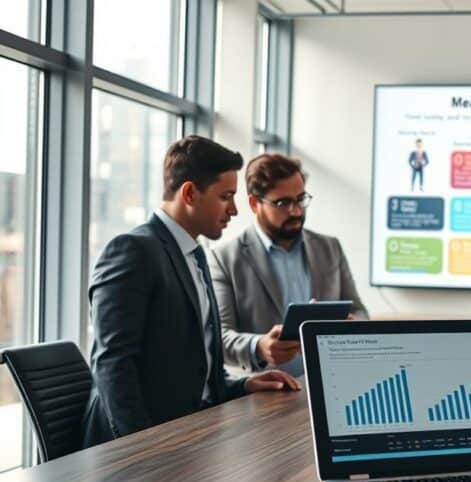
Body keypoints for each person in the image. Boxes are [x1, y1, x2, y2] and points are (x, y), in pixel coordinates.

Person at [82, 136, 300, 448]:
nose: (235, 210)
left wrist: (244, 385)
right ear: (189, 193)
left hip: (194, 434)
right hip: (143, 449)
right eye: (226, 196)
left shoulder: (194, 255)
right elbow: (112, 364)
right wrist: (140, 449)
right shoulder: (133, 250)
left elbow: (196, 371)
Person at [210, 153, 368, 378]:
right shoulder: (224, 259)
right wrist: (259, 347)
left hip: (327, 383)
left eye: (301, 199)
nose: (296, 211)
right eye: (283, 203)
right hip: (263, 393)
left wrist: (352, 326)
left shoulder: (329, 248)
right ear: (254, 204)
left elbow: (359, 311)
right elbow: (220, 337)